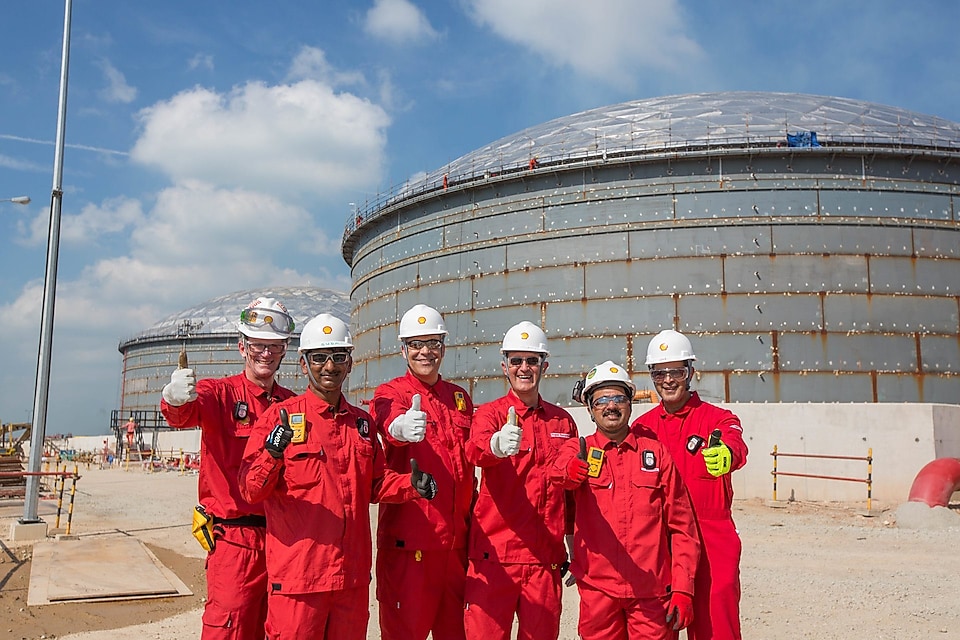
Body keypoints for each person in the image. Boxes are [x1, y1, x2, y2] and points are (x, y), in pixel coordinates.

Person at [238, 314, 437, 639]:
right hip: (299, 583)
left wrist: (411, 485)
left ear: (349, 363)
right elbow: (250, 490)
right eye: (319, 358)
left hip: (350, 581)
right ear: (304, 365)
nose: (329, 366)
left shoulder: (361, 425)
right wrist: (273, 452)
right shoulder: (281, 418)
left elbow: (376, 484)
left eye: (338, 357)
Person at [159, 296, 296, 639]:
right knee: (230, 627)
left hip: (285, 539)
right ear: (241, 347)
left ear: (284, 351)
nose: (266, 354)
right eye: (258, 346)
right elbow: (185, 414)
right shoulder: (220, 395)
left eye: (274, 347)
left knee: (280, 627)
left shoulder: (292, 404)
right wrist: (174, 398)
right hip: (235, 541)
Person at [552, 361, 700, 640]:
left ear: (631, 404)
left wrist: (683, 588)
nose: (611, 406)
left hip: (652, 594)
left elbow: (683, 527)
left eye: (619, 398)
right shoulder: (579, 448)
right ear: (590, 409)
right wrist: (571, 471)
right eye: (601, 400)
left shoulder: (656, 455)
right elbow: (557, 474)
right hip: (599, 593)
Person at [463, 321, 577, 640]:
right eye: (516, 361)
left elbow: (570, 491)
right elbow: (474, 449)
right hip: (494, 559)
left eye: (532, 360)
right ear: (505, 366)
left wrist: (573, 543)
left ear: (544, 366)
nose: (524, 368)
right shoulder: (489, 414)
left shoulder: (562, 421)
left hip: (544, 560)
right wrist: (496, 446)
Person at [632, 330, 748, 640]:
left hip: (712, 539)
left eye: (676, 372)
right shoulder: (642, 429)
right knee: (655, 629)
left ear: (691, 373)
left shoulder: (717, 419)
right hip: (660, 543)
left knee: (716, 628)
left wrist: (727, 453)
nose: (668, 380)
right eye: (660, 373)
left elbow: (735, 442)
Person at [370, 303, 475, 640]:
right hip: (409, 550)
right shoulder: (391, 392)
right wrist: (401, 427)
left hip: (455, 548)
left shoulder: (459, 398)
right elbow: (387, 422)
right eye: (416, 344)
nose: (425, 352)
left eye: (433, 343)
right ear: (403, 350)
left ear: (443, 347)